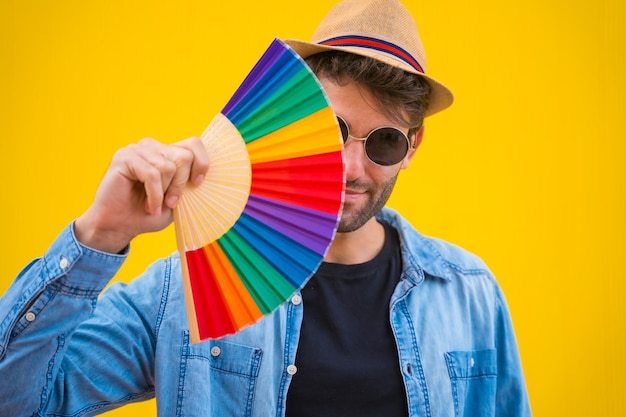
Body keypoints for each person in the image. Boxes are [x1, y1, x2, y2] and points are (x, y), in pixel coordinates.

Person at [0, 0, 531, 415]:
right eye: (333, 130)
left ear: (412, 148)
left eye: (384, 142)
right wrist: (99, 233)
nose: (349, 167)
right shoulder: (186, 293)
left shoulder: (470, 294)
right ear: (292, 120)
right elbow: (17, 400)